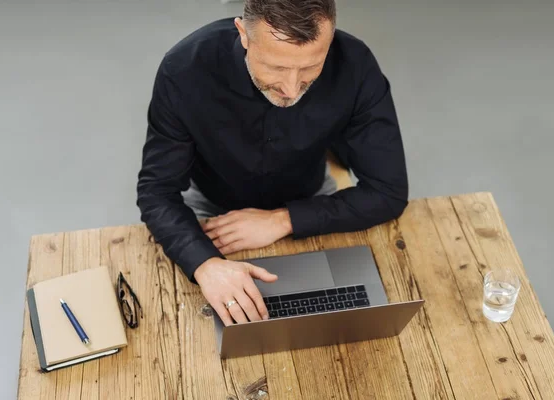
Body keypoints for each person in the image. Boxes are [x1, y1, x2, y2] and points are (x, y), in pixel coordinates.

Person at [137, 0, 408, 327]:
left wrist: (283, 220)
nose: (292, 89)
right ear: (243, 35)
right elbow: (157, 191)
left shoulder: (356, 64)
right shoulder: (184, 69)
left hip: (312, 199)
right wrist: (205, 265)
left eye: (310, 67)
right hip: (214, 212)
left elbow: (388, 192)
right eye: (277, 68)